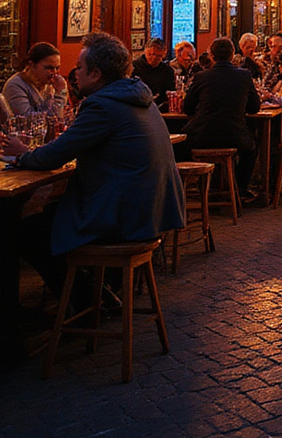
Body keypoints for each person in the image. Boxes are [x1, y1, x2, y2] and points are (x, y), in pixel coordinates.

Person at [1, 32, 184, 313]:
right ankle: (100, 289)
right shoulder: (136, 96)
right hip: (152, 209)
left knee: (26, 231)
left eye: (80, 67)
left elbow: (55, 155)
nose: (74, 74)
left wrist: (20, 154)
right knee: (48, 214)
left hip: (122, 216)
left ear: (96, 73)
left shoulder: (102, 105)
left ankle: (90, 302)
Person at [182, 37, 260, 201]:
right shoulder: (244, 76)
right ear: (233, 55)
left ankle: (189, 188)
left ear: (211, 56)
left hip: (203, 135)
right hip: (234, 135)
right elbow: (255, 108)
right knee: (252, 147)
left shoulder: (201, 77)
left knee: (177, 146)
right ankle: (239, 188)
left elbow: (187, 107)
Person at [3, 41, 68, 115]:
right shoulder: (15, 86)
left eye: (57, 68)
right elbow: (29, 120)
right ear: (32, 65)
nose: (54, 72)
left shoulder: (49, 85)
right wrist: (60, 94)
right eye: (49, 68)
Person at [132, 37, 176, 110]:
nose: (154, 58)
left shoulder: (167, 70)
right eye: (151, 54)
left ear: (163, 55)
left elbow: (170, 91)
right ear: (145, 51)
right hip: (137, 106)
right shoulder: (133, 67)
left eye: (159, 56)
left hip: (159, 107)